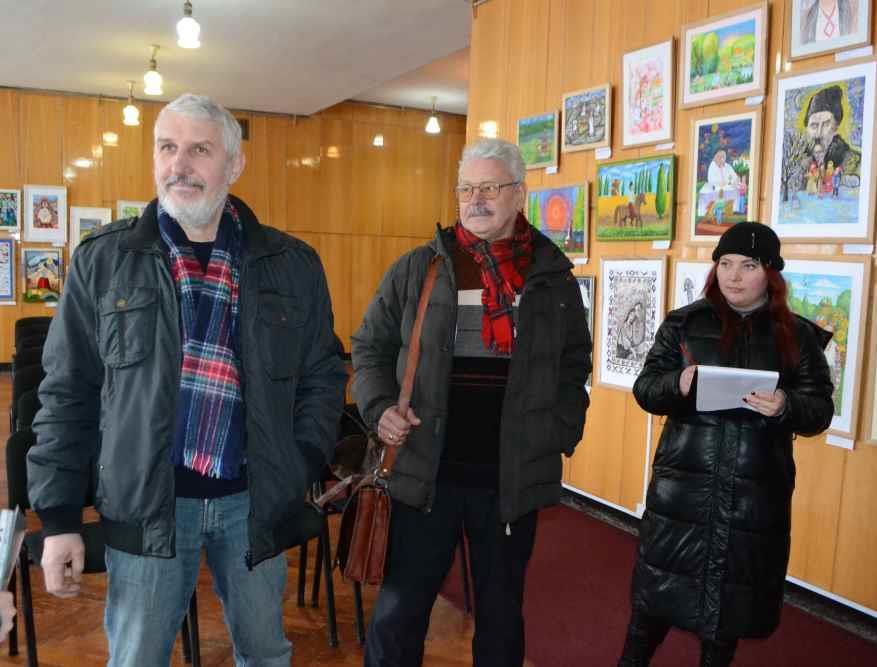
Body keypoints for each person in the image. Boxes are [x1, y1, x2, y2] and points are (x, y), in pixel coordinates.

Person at [27, 93, 347, 666]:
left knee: (265, 655)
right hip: (147, 505)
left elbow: (323, 375)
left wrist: (296, 462)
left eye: (200, 150)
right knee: (137, 658)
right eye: (167, 147)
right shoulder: (103, 261)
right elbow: (66, 393)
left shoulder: (292, 263)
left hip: (252, 503)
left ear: (235, 163)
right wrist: (59, 520)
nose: (179, 165)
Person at [351, 137, 591, 667]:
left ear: (519, 194)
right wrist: (379, 406)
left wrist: (559, 430)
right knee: (398, 614)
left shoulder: (551, 277)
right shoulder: (419, 268)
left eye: (489, 188)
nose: (475, 200)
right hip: (423, 471)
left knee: (502, 619)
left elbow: (575, 362)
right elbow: (368, 347)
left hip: (509, 479)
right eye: (466, 189)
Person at [618, 222, 834, 666]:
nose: (733, 276)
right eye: (726, 263)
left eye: (748, 265)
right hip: (681, 494)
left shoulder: (798, 336)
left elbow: (819, 410)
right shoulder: (683, 323)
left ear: (770, 273)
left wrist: (786, 405)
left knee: (726, 618)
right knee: (650, 607)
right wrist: (677, 383)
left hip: (753, 500)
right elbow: (646, 390)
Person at [804, 85, 859, 176]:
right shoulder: (797, 164)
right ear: (807, 128)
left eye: (826, 124)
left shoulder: (852, 161)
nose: (819, 133)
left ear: (836, 128)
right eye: (814, 125)